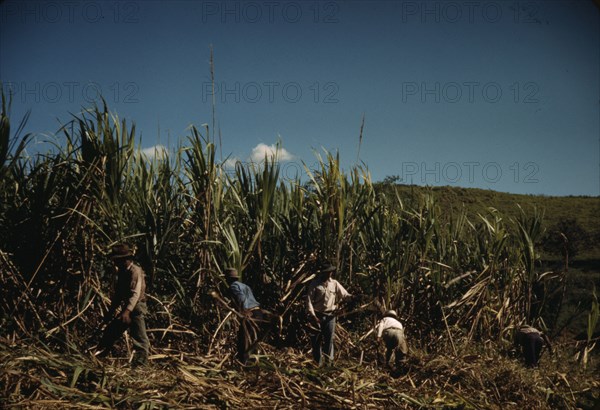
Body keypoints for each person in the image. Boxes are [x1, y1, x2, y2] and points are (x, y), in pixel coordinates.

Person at [96, 244, 150, 367]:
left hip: (136, 308)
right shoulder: (122, 272)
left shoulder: (135, 271)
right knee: (111, 331)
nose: (115, 263)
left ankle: (141, 366)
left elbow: (135, 294)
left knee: (140, 338)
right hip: (127, 308)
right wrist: (110, 311)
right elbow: (119, 294)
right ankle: (99, 357)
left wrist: (126, 312)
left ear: (125, 259)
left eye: (117, 260)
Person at [306, 261, 351, 365]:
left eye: (330, 272)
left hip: (330, 316)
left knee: (329, 341)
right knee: (316, 341)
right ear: (322, 273)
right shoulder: (314, 284)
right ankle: (318, 364)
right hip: (317, 316)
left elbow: (345, 295)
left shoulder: (334, 283)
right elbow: (308, 301)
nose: (329, 274)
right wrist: (313, 316)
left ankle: (328, 365)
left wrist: (353, 297)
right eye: (327, 272)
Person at [225, 268, 266, 364]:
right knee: (252, 339)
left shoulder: (233, 286)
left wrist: (244, 311)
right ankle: (253, 362)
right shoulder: (245, 286)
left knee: (244, 339)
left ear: (228, 278)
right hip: (258, 312)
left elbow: (241, 298)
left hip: (250, 313)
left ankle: (245, 363)